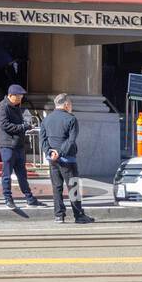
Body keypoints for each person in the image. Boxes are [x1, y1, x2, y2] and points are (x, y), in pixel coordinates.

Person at [39, 93, 94, 224]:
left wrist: (51, 152)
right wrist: (61, 152)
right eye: (71, 104)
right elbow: (71, 140)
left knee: (56, 187)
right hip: (68, 160)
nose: (71, 107)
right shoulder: (71, 119)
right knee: (73, 187)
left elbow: (42, 139)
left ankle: (59, 215)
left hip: (52, 160)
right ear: (66, 105)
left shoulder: (46, 119)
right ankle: (79, 216)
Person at [0, 85, 41, 210]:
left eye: (21, 97)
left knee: (22, 173)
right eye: (18, 96)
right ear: (10, 95)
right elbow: (5, 126)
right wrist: (23, 127)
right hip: (7, 145)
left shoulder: (17, 106)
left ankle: (29, 197)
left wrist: (25, 126)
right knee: (7, 173)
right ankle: (8, 198)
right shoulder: (2, 107)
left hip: (19, 145)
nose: (20, 99)